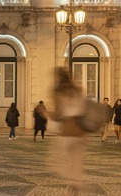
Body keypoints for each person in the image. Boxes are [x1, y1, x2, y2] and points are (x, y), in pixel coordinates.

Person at [51, 68, 87, 196]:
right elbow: (84, 109)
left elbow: (57, 115)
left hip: (67, 132)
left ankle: (71, 187)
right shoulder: (77, 90)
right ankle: (74, 186)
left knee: (61, 163)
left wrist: (45, 113)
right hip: (80, 132)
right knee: (76, 162)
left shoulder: (58, 92)